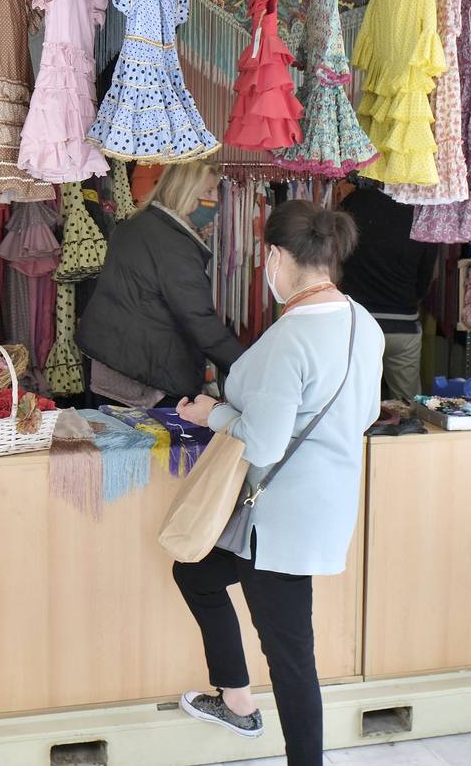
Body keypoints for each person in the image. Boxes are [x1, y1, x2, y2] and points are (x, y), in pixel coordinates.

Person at [172, 199, 383, 766]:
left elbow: (261, 444)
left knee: (291, 658)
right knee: (193, 571)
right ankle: (237, 701)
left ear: (273, 257)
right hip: (323, 507)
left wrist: (207, 414)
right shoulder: (363, 322)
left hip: (275, 524)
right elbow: (362, 415)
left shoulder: (288, 338)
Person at [77, 162, 244, 407]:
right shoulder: (175, 244)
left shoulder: (138, 223)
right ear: (183, 191)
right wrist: (246, 367)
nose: (216, 199)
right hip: (141, 373)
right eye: (208, 191)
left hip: (111, 359)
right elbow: (198, 317)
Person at [335, 178, 437, 401]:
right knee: (408, 405)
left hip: (358, 323)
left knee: (352, 402)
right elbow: (426, 274)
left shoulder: (354, 203)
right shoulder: (419, 211)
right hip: (403, 323)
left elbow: (337, 258)